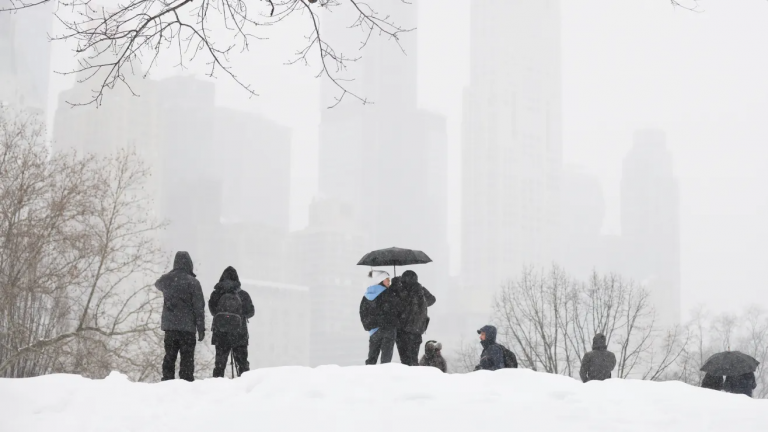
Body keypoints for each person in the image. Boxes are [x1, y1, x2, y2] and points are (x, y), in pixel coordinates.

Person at [155, 251, 206, 382]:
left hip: (170, 327)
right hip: (187, 328)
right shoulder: (193, 282)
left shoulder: (167, 280)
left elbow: (158, 283)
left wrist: (172, 275)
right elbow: (199, 307)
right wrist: (201, 328)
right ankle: (186, 382)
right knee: (187, 358)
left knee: (169, 356)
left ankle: (167, 380)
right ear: (189, 264)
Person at [208, 266, 255, 378]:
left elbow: (213, 310)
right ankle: (245, 385)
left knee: (219, 366)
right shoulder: (243, 294)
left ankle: (216, 385)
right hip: (239, 334)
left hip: (220, 334)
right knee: (243, 365)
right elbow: (251, 312)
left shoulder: (216, 294)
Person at [394, 270, 436, 366]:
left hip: (403, 331)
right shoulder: (420, 290)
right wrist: (422, 298)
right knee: (414, 359)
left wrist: (396, 285)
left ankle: (407, 374)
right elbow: (432, 299)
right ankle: (415, 374)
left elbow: (396, 304)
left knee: (405, 361)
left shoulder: (402, 290)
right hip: (417, 330)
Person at [360, 270, 400, 365]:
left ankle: (368, 373)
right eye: (387, 279)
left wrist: (369, 325)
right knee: (386, 360)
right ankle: (384, 374)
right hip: (388, 329)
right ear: (381, 280)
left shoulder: (367, 295)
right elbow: (397, 308)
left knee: (372, 358)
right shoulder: (389, 293)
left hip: (374, 330)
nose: (389, 282)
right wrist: (396, 289)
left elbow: (363, 312)